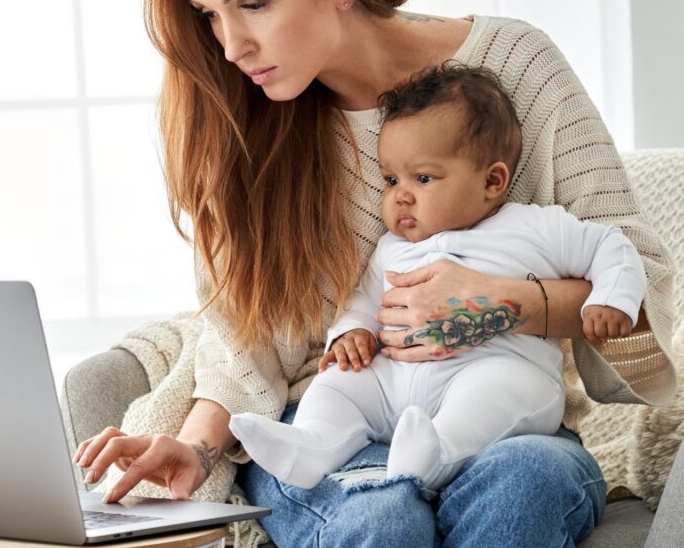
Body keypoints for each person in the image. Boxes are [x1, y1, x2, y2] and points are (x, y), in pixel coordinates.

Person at [73, 0, 676, 544]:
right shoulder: (249, 128)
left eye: (252, 4)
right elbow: (246, 339)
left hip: (503, 414)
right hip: (332, 422)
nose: (230, 45)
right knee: (379, 516)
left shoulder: (518, 68)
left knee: (526, 484)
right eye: (209, 15)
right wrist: (198, 447)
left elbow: (642, 286)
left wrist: (506, 300)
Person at [229, 63, 647, 491]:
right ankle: (313, 445)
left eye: (423, 177)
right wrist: (352, 333)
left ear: (492, 181)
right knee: (338, 381)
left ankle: (439, 452)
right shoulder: (393, 247)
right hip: (393, 383)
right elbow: (365, 298)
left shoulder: (534, 227)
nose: (400, 195)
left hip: (491, 369)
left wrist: (612, 298)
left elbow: (611, 247)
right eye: (391, 179)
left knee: (496, 390)